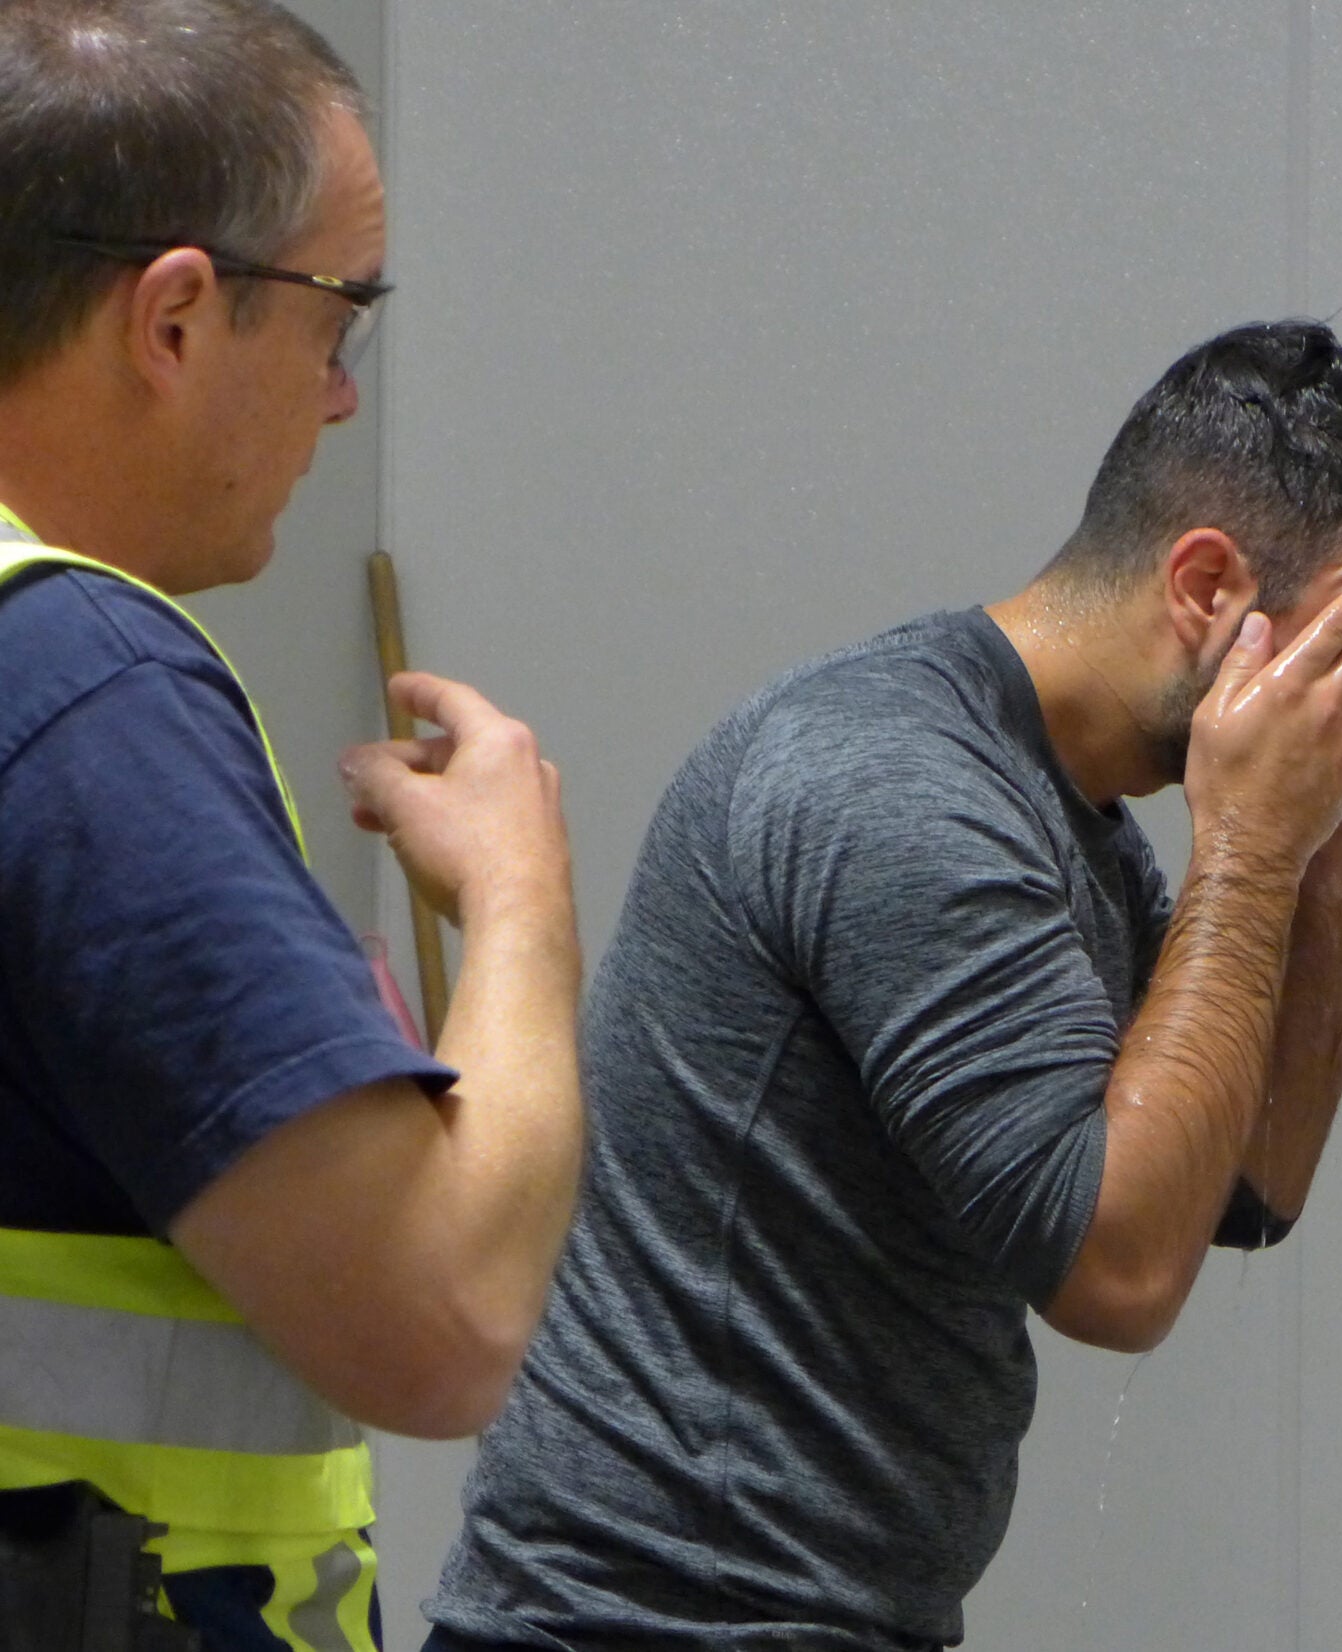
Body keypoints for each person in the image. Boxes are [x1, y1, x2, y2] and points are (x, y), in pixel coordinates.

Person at [421, 320, 1342, 1652]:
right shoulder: (897, 789)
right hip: (644, 1624)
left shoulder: (1072, 817)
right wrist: (1259, 844)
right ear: (1208, 585)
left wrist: (1327, 846)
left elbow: (1248, 1180)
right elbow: (1117, 1272)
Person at [0, 3, 585, 1648]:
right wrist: (522, 903)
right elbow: (447, 1319)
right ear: (175, 318)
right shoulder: (79, 695)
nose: (339, 403)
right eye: (341, 320)